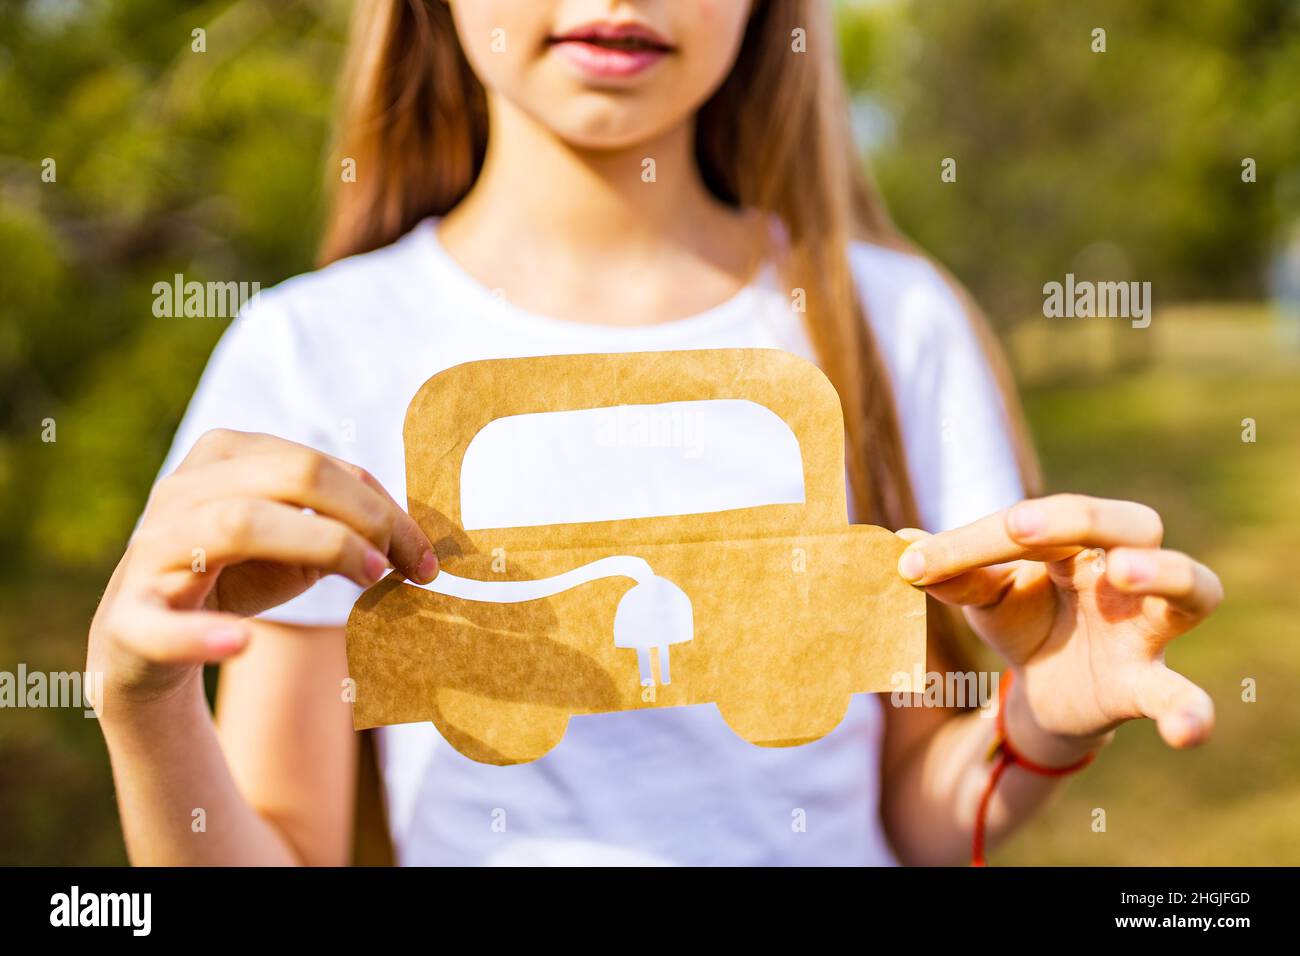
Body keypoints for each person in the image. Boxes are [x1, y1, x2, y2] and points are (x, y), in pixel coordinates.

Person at [87, 0, 1223, 866]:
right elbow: (278, 841)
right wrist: (145, 708)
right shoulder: (312, 351)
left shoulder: (891, 321)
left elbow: (916, 811)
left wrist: (1044, 715)